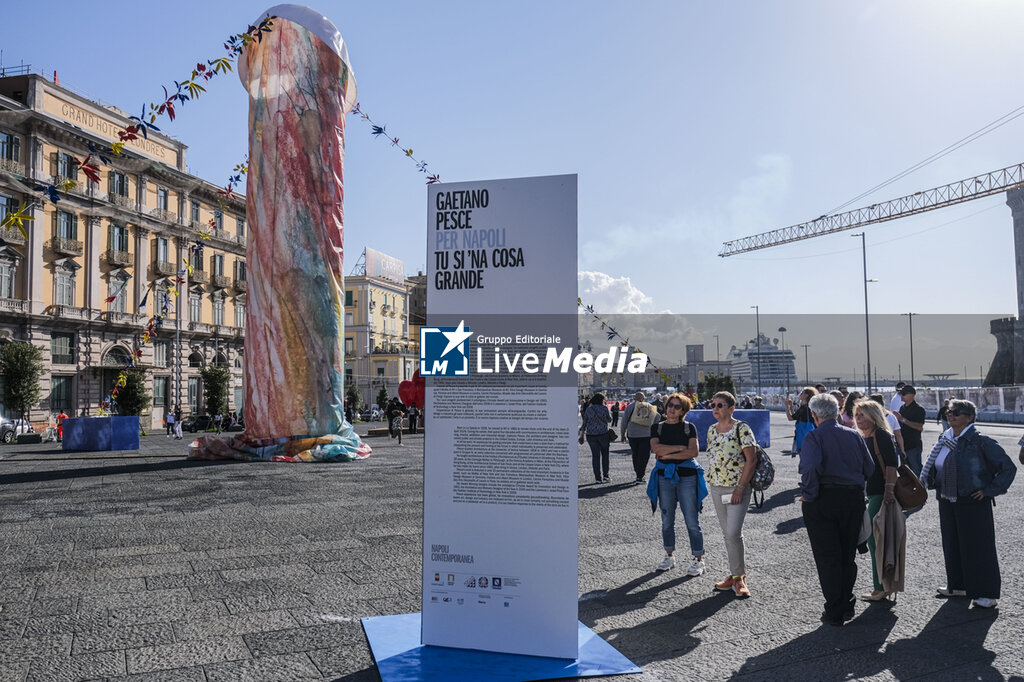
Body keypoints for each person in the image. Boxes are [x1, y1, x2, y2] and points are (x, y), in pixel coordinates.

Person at [920, 400, 1016, 609]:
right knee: (952, 543)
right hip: (947, 497)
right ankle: (958, 586)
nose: (950, 415)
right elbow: (936, 465)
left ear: (970, 417)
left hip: (972, 500)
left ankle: (987, 594)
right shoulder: (945, 439)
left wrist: (989, 490)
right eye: (948, 412)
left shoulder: (980, 441)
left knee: (979, 548)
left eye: (956, 412)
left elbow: (1008, 468)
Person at [798, 393, 875, 626]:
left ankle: (834, 609)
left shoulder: (814, 436)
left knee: (827, 556)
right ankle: (847, 601)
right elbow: (869, 468)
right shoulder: (854, 435)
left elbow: (810, 467)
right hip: (852, 498)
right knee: (847, 554)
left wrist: (809, 494)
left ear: (814, 415)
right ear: (837, 411)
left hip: (823, 498)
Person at [648, 394, 707, 575]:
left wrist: (668, 455)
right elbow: (656, 449)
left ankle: (699, 560)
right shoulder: (657, 427)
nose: (671, 409)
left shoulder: (689, 428)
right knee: (667, 520)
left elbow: (694, 452)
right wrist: (681, 449)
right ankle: (669, 556)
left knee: (692, 521)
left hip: (688, 477)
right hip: (664, 477)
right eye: (669, 405)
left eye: (677, 406)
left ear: (683, 411)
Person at [705, 391, 757, 598]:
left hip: (738, 488)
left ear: (731, 408)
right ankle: (735, 574)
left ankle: (739, 578)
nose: (715, 409)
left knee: (733, 532)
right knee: (728, 534)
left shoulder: (741, 428)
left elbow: (751, 460)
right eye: (713, 405)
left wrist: (740, 488)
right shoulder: (711, 430)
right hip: (717, 487)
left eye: (720, 405)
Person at [853, 400, 900, 602]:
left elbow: (891, 465)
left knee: (875, 539)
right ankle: (883, 585)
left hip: (881, 493)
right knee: (877, 540)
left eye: (862, 415)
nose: (859, 419)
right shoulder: (864, 437)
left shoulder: (881, 435)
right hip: (871, 492)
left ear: (873, 415)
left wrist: (889, 490)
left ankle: (881, 587)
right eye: (856, 415)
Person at [622, 391, 659, 483]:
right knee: (644, 455)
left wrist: (622, 434)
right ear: (643, 398)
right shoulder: (648, 406)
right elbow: (658, 417)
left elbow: (623, 422)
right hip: (646, 435)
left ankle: (638, 472)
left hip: (632, 434)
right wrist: (653, 426)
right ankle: (640, 475)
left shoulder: (629, 407)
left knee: (635, 454)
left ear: (634, 398)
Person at [580, 393, 612, 483]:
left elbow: (584, 423)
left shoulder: (589, 409)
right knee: (605, 455)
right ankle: (606, 476)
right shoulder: (604, 408)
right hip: (603, 434)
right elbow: (609, 420)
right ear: (602, 400)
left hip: (591, 435)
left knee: (595, 456)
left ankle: (598, 478)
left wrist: (582, 435)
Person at [895, 385, 926, 476]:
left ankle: (920, 489)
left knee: (916, 471)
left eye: (903, 393)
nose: (901, 395)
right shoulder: (902, 408)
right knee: (905, 472)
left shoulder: (919, 410)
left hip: (913, 445)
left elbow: (919, 427)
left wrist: (902, 419)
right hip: (903, 445)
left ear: (912, 395)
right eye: (901, 393)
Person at [869, 393, 905, 461]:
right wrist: (902, 449)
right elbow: (898, 434)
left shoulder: (868, 417)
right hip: (890, 446)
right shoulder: (891, 416)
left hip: (873, 447)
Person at [785, 387, 817, 455]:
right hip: (811, 434)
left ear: (806, 395)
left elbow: (790, 418)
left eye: (802, 393)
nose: (800, 394)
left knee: (805, 457)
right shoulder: (809, 406)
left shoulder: (805, 408)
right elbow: (795, 417)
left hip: (804, 435)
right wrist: (791, 406)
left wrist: (786, 407)